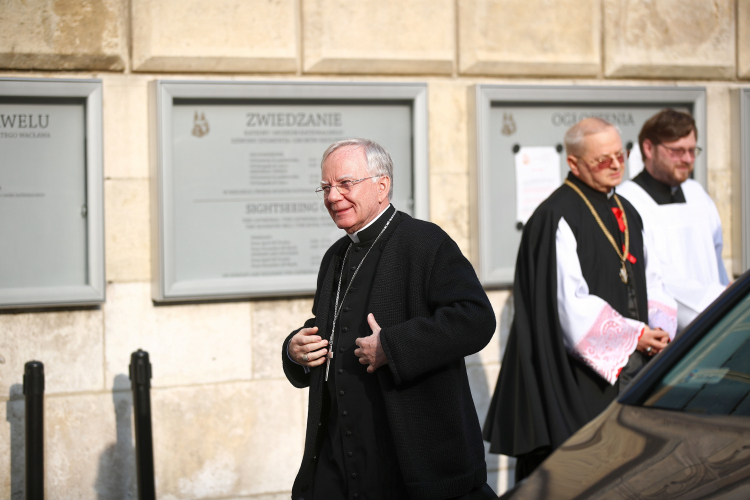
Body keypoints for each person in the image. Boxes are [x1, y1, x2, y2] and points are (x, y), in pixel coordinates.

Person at [282, 138, 497, 500]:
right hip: (340, 458)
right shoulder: (336, 254)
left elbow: (475, 318)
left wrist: (393, 347)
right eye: (326, 187)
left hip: (411, 458)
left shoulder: (425, 241)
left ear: (382, 185)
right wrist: (295, 348)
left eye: (345, 184)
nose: (333, 197)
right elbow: (335, 321)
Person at [482, 117, 677, 483]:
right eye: (603, 159)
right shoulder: (556, 215)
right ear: (574, 163)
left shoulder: (625, 210)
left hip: (634, 362)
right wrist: (634, 335)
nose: (617, 165)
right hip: (578, 375)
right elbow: (569, 306)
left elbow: (651, 278)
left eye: (621, 154)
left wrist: (660, 327)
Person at [617, 109, 729, 331]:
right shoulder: (628, 201)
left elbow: (716, 259)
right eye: (677, 151)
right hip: (665, 332)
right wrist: (714, 301)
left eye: (692, 151)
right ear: (648, 148)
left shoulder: (698, 194)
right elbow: (654, 276)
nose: (687, 159)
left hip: (717, 320)